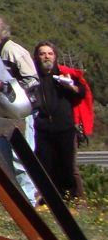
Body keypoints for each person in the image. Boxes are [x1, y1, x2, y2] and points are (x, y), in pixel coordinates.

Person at [0, 16, 39, 202]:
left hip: (20, 112)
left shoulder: (14, 52)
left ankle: (27, 200)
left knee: (21, 158)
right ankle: (11, 200)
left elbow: (32, 81)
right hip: (2, 113)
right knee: (3, 158)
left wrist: (4, 87)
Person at [32, 41, 86, 198]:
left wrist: (71, 87)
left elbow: (81, 92)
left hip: (64, 129)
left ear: (55, 56)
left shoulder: (64, 74)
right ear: (36, 57)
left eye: (49, 53)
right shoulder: (33, 76)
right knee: (45, 167)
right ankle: (49, 200)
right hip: (42, 129)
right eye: (42, 54)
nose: (46, 57)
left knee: (67, 168)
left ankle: (73, 200)